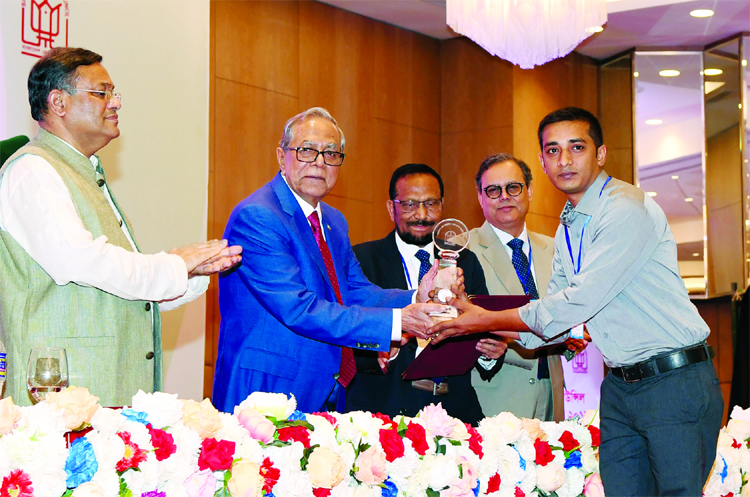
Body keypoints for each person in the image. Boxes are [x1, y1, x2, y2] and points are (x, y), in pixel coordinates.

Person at [429, 107, 723, 496]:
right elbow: (550, 323)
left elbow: (576, 303)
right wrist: (471, 317)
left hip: (672, 381)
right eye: (553, 151)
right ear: (542, 162)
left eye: (576, 147)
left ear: (600, 154)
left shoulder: (624, 209)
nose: (564, 160)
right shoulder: (570, 222)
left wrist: (481, 319)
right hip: (620, 386)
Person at [0, 47, 241, 406]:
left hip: (102, 395)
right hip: (59, 404)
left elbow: (115, 294)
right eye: (102, 93)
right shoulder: (32, 170)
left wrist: (189, 274)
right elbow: (82, 263)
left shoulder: (86, 170)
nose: (115, 103)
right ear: (58, 102)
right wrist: (174, 264)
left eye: (114, 93)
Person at [213, 109, 445, 414]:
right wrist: (398, 321)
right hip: (266, 392)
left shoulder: (334, 221)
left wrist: (416, 296)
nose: (320, 162)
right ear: (282, 157)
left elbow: (358, 291)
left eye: (331, 153)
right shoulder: (258, 215)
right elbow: (299, 308)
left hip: (326, 389)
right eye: (307, 150)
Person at [346, 163, 505, 425]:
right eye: (409, 204)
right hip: (381, 411)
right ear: (391, 207)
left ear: (442, 206)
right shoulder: (361, 260)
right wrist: (388, 350)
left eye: (431, 204)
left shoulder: (466, 260)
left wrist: (489, 354)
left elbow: (480, 329)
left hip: (455, 414)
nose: (421, 214)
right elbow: (347, 334)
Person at [468, 153, 565, 421]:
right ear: (480, 198)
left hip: (552, 392)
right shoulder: (462, 250)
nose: (504, 196)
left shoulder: (555, 249)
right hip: (494, 397)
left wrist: (574, 336)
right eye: (493, 190)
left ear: (529, 191)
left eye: (513, 187)